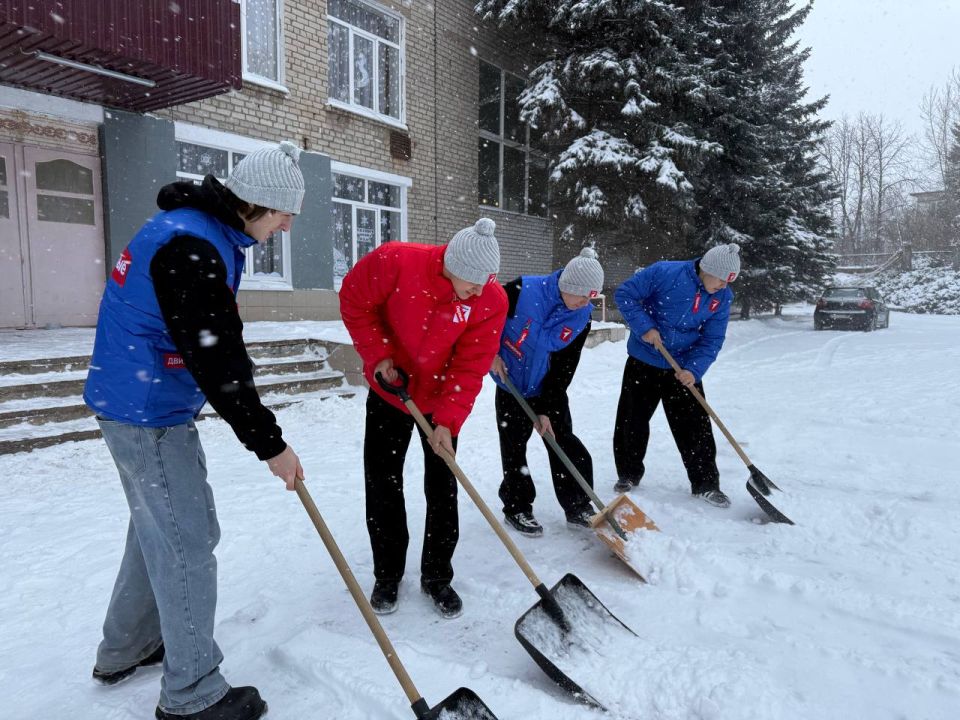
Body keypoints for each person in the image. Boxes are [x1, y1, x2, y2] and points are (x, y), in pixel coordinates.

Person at [83, 141, 307, 720]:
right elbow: (218, 361)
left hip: (135, 399)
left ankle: (127, 646)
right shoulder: (192, 247)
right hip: (146, 410)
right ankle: (192, 693)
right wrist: (271, 444)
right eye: (284, 212)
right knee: (186, 542)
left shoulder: (195, 231)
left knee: (160, 530)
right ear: (255, 203)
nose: (287, 224)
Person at [338, 218, 507, 619]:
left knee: (443, 485)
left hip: (440, 401)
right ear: (452, 266)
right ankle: (387, 574)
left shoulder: (490, 300)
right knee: (383, 482)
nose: (480, 292)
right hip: (391, 388)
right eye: (472, 284)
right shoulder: (395, 262)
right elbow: (355, 301)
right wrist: (379, 354)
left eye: (486, 283)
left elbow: (470, 365)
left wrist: (448, 420)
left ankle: (437, 576)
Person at [612, 243, 742, 508]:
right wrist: (644, 327)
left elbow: (712, 339)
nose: (723, 287)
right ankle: (628, 474)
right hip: (645, 359)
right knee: (631, 420)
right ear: (706, 269)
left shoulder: (722, 297)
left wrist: (693, 370)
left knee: (695, 426)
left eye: (729, 283)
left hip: (682, 367)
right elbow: (625, 295)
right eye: (721, 281)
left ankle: (705, 483)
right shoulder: (665, 273)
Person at [489, 248, 604, 537]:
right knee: (514, 447)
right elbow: (485, 318)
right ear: (567, 285)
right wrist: (489, 352)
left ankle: (577, 504)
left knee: (562, 440)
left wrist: (547, 408)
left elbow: (565, 366)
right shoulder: (521, 290)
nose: (584, 303)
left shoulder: (581, 317)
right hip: (510, 382)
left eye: (590, 298)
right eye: (581, 296)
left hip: (547, 385)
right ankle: (517, 506)